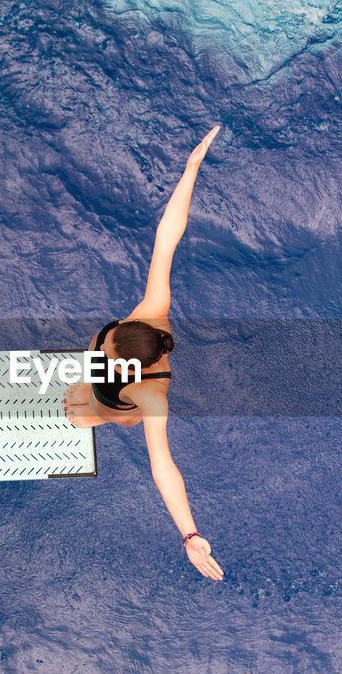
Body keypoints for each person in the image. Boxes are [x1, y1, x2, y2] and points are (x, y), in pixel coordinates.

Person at [63, 126, 224, 582]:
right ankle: (89, 396)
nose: (104, 351)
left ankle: (94, 413)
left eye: (109, 356)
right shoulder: (153, 311)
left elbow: (163, 467)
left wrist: (190, 536)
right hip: (118, 370)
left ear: (129, 365)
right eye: (109, 343)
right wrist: (191, 168)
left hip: (125, 406)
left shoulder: (152, 396)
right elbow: (167, 235)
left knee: (99, 409)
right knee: (88, 375)